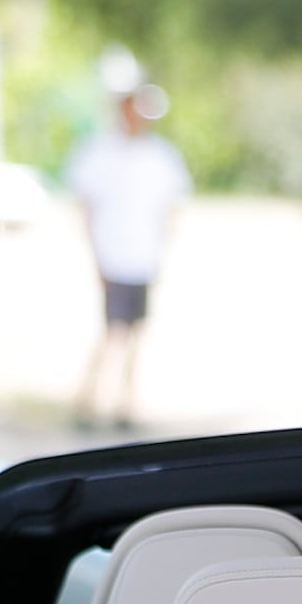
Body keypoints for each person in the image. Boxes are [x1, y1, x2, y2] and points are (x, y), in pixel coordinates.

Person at [63, 58, 192, 433]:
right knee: (113, 333)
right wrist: (96, 257)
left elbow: (172, 208)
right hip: (114, 256)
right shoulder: (101, 153)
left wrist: (163, 251)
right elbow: (86, 206)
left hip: (144, 257)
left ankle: (127, 405)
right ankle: (88, 403)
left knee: (136, 333)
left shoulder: (161, 157)